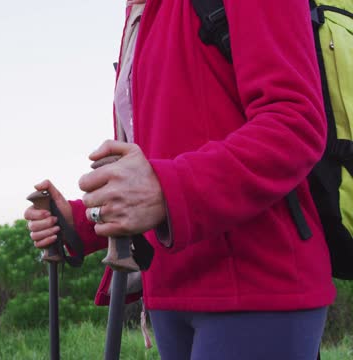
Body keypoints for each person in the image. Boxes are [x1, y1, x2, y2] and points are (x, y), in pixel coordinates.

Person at [24, 0, 336, 359]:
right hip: (171, 289)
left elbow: (294, 124)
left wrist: (166, 190)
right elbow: (162, 155)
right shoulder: (142, 14)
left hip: (256, 284)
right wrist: (82, 220)